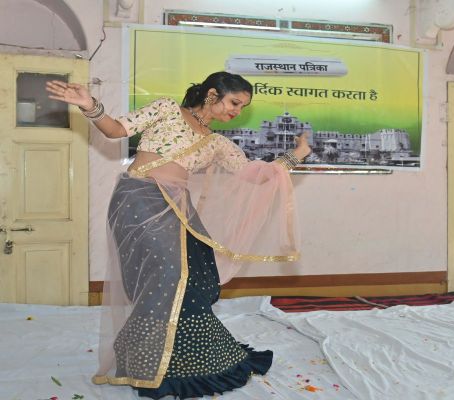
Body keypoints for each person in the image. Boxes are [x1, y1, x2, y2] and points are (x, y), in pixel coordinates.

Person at [46, 71, 311, 399]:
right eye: (234, 103)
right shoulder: (167, 109)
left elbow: (253, 175)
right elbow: (115, 130)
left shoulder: (217, 143)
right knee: (169, 273)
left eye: (243, 107)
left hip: (178, 206)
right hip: (139, 197)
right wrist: (89, 104)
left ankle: (182, 358)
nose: (237, 111)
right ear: (212, 94)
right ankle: (151, 360)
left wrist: (296, 156)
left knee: (196, 276)